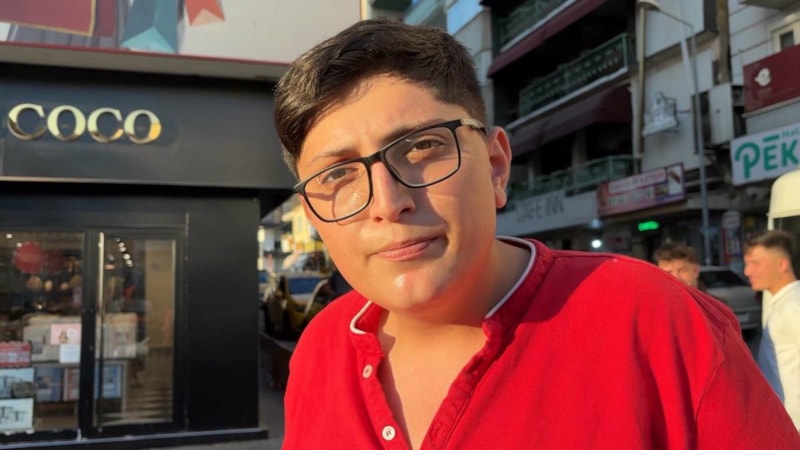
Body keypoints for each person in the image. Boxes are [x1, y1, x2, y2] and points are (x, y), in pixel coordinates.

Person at [273, 18, 800, 449]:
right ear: (312, 214)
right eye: (336, 175)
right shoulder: (320, 349)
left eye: (422, 147)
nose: (389, 203)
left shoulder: (657, 323)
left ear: (496, 165)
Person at [744, 229, 800, 430]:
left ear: (782, 264)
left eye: (755, 263)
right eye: (747, 263)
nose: (747, 271)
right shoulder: (784, 303)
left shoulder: (793, 307)